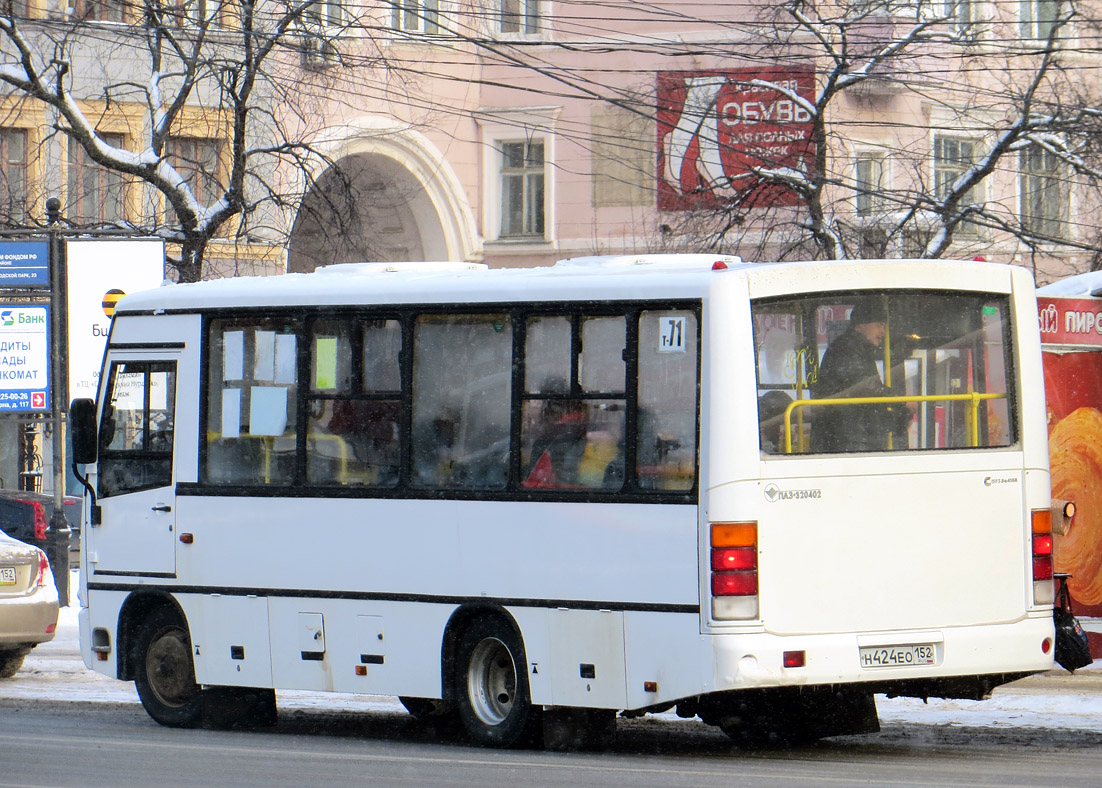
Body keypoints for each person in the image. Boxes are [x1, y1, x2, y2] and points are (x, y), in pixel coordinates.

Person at [810, 301, 912, 453]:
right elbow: (864, 387)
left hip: (852, 435)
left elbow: (869, 404)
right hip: (846, 437)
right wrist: (901, 401)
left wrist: (900, 417)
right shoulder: (846, 347)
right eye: (878, 325)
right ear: (861, 325)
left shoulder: (858, 348)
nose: (883, 332)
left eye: (883, 326)